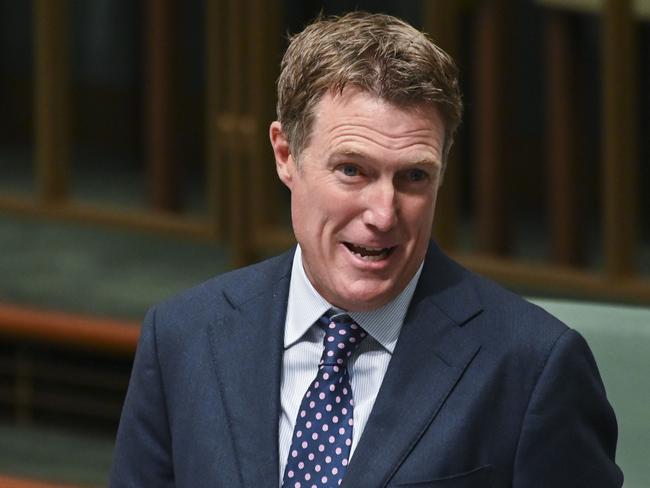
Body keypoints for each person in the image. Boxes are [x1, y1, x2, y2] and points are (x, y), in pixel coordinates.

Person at [110, 12, 623, 488]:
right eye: (352, 170)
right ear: (286, 155)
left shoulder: (532, 367)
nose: (383, 213)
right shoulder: (182, 338)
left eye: (414, 177)